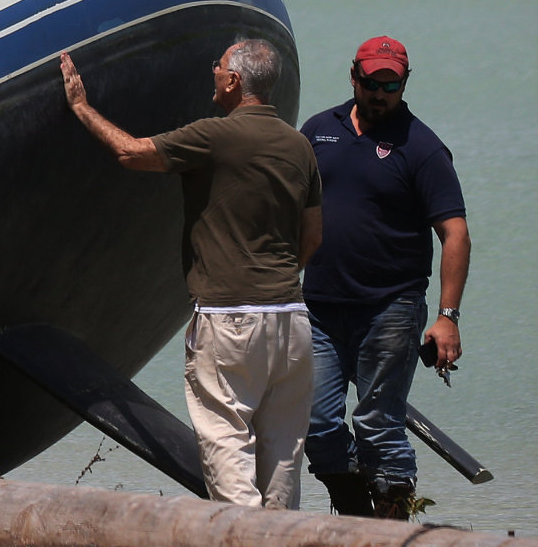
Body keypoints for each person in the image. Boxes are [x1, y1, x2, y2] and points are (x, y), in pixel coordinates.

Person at [60, 39, 322, 508]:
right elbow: (313, 237)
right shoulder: (299, 145)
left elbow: (131, 152)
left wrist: (81, 108)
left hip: (229, 318)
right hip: (291, 318)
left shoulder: (216, 135)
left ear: (235, 81)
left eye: (218, 66)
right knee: (282, 461)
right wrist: (275, 281)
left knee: (227, 451)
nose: (213, 71)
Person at [300, 36, 469, 520]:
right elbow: (289, 205)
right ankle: (359, 522)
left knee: (378, 423)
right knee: (316, 424)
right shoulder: (317, 130)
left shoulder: (422, 147)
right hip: (320, 308)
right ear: (353, 76)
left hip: (390, 307)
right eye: (371, 82)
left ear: (404, 83)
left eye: (390, 84)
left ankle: (390, 523)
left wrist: (447, 317)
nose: (379, 93)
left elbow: (455, 234)